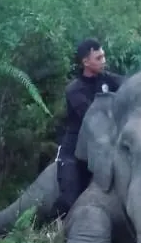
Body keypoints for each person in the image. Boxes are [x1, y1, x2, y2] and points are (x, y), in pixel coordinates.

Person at [51, 38, 125, 218]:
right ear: (86, 62)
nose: (104, 61)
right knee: (69, 199)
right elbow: (94, 120)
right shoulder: (74, 90)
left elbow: (130, 85)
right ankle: (46, 230)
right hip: (75, 153)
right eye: (98, 58)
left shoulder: (108, 79)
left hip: (101, 149)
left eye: (104, 56)